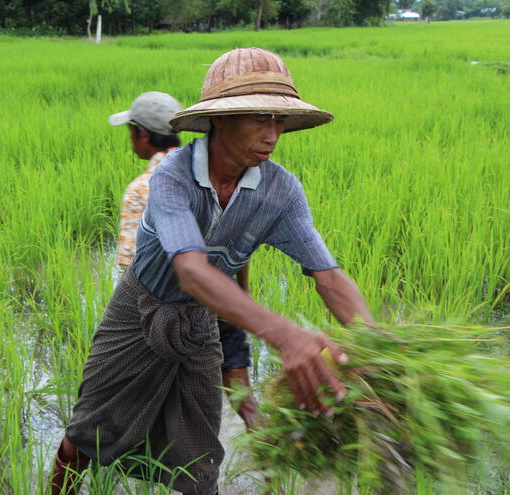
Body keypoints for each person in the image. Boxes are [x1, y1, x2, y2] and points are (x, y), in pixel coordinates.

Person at [50, 47, 375, 495]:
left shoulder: (281, 191)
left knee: (199, 459)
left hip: (199, 322)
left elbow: (329, 277)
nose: (272, 134)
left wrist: (378, 345)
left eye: (279, 120)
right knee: (87, 434)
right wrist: (286, 335)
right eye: (259, 117)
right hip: (138, 308)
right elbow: (191, 271)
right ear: (219, 119)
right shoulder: (173, 176)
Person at [111, 91, 262, 433]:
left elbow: (133, 270)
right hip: (222, 299)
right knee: (243, 398)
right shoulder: (213, 176)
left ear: (142, 134)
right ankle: (276, 474)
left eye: (131, 131)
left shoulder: (143, 188)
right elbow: (238, 249)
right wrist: (241, 299)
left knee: (117, 407)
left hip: (169, 314)